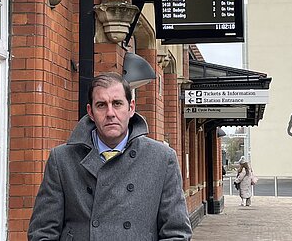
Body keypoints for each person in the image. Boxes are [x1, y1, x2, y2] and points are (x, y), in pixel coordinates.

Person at [28, 72, 192, 240]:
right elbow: (43, 232)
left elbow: (176, 233)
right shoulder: (62, 159)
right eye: (101, 105)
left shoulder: (162, 159)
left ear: (131, 108)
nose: (110, 113)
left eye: (117, 103)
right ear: (90, 112)